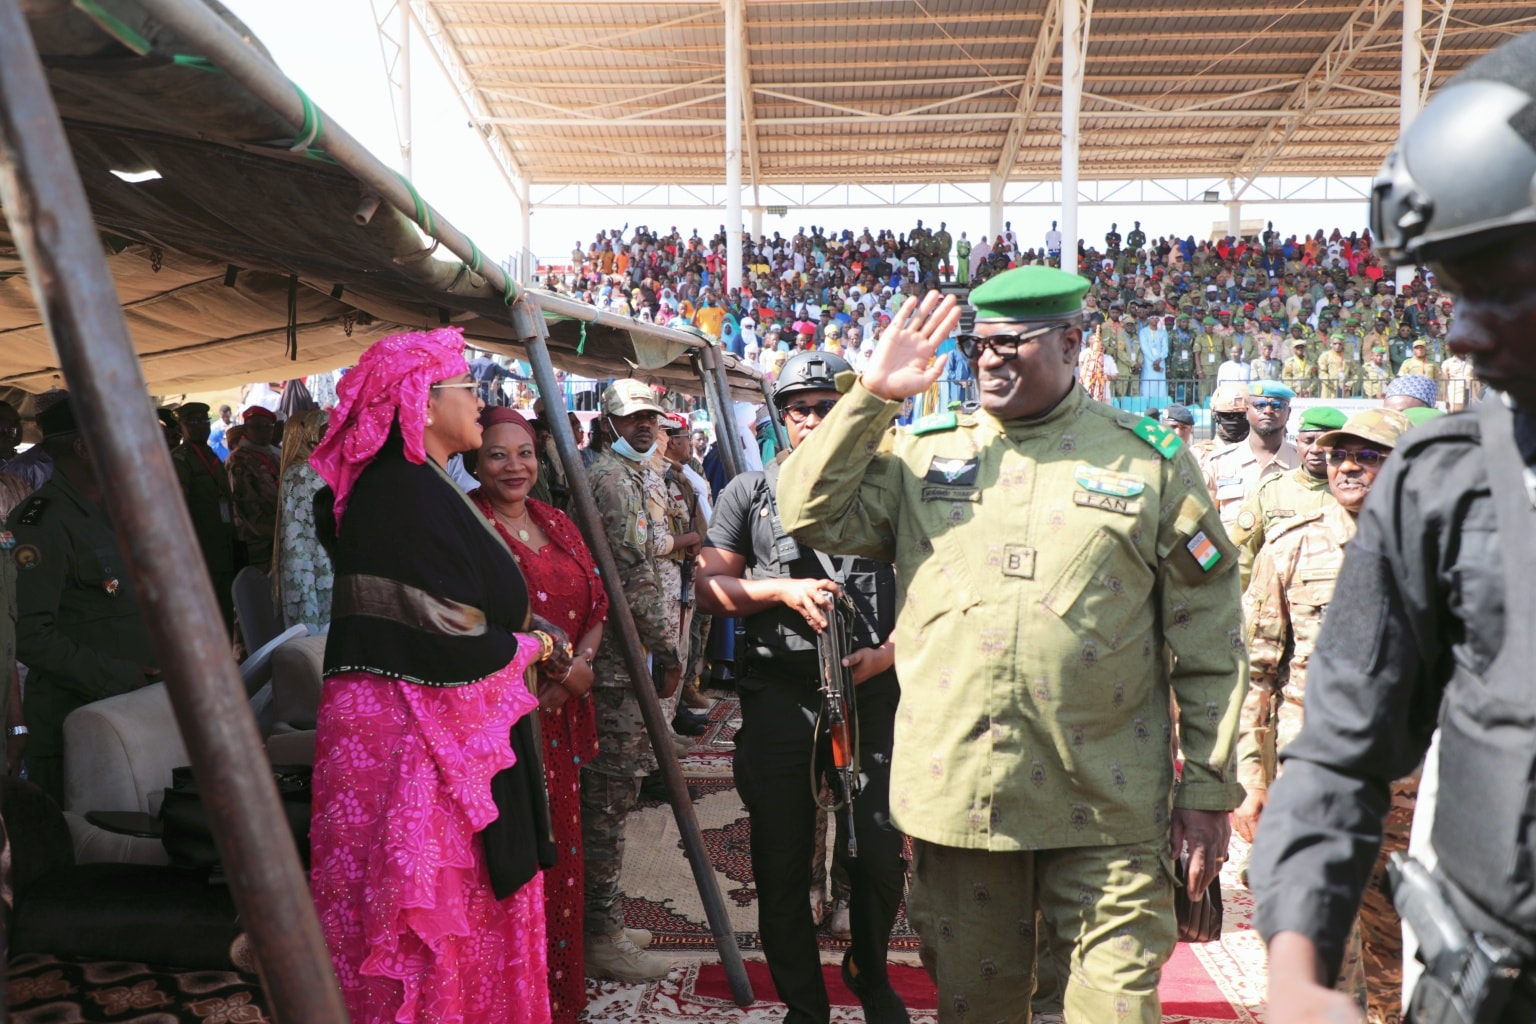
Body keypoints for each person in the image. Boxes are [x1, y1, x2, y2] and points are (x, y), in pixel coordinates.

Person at [777, 270, 1247, 1024]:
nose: (987, 360)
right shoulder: (921, 454)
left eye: (1009, 344)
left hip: (1110, 806)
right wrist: (873, 396)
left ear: (1071, 340)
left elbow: (1210, 632)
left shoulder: (1149, 460)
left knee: (1117, 1010)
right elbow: (806, 511)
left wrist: (1208, 791)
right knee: (979, 1012)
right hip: (967, 800)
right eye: (977, 345)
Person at [1251, 32, 1536, 1024]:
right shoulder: (1445, 481)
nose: (1457, 330)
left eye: (1497, 286)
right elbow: (1338, 753)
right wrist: (1295, 977)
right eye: (1450, 293)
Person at [307, 327, 563, 1024]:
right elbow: (448, 637)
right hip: (416, 740)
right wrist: (531, 650)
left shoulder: (420, 485)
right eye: (467, 388)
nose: (480, 403)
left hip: (425, 729)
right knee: (428, 923)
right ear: (421, 401)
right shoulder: (403, 492)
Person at [696, 350, 908, 1024]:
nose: (813, 420)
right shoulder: (748, 493)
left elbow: (942, 583)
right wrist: (779, 590)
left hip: (872, 694)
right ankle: (804, 1005)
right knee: (781, 859)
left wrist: (894, 651)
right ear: (782, 419)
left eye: (827, 407)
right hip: (781, 695)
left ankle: (871, 978)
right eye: (800, 409)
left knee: (877, 854)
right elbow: (709, 587)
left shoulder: (893, 485)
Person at [1234, 408, 1410, 1018]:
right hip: (1315, 778)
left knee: (1399, 938)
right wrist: (1252, 779)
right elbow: (1256, 674)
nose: (1348, 466)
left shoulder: (1440, 552)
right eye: (1340, 455)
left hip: (1410, 789)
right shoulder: (1292, 544)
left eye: (1367, 456)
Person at [469, 406, 611, 1024]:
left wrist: (579, 667)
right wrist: (555, 673)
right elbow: (473, 621)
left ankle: (559, 993)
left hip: (561, 713)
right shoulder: (468, 526)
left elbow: (598, 602)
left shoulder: (556, 520)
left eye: (523, 453)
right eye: (498, 454)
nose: (514, 466)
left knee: (564, 849)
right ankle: (514, 999)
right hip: (503, 723)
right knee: (513, 854)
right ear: (475, 459)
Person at [582, 379, 683, 982]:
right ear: (609, 421)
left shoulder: (628, 474)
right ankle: (598, 930)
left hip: (624, 654)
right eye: (632, 418)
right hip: (616, 659)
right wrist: (667, 650)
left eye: (651, 417)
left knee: (617, 792)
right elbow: (635, 573)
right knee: (609, 794)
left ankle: (603, 916)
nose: (644, 427)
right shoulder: (612, 480)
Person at [12, 395, 157, 805]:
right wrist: (115, 675)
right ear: (82, 447)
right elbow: (29, 632)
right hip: (79, 719)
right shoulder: (40, 521)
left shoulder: (117, 509)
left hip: (135, 709)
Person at [1228, 406, 1344, 592]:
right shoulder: (1272, 489)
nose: (1315, 449)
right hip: (1275, 605)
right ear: (1297, 443)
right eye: (1308, 441)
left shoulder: (1352, 493)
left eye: (1324, 442)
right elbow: (1242, 556)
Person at [171, 402, 238, 628]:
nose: (201, 426)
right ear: (181, 427)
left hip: (222, 543)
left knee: (225, 608)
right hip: (200, 547)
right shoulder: (180, 459)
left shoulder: (210, 454)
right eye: (193, 422)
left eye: (204, 421)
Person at [1203, 381, 1299, 531]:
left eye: (1277, 405)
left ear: (1289, 413)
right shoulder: (1219, 462)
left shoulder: (1302, 463)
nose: (1268, 411)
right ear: (1247, 410)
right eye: (1259, 405)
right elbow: (1204, 523)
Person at [273, 409, 332, 631]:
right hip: (313, 560)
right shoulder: (301, 473)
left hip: (326, 556)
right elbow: (298, 538)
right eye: (326, 433)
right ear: (308, 436)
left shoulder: (323, 468)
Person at [227, 406, 280, 572]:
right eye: (257, 427)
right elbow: (244, 504)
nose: (264, 432)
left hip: (277, 535)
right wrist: (274, 531)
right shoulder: (239, 459)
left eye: (268, 427)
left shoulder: (273, 455)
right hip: (257, 540)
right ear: (246, 429)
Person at [1192, 381, 1250, 471]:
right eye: (1227, 415)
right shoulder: (1199, 455)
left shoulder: (1262, 454)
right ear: (1215, 416)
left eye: (1241, 415)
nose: (1235, 420)